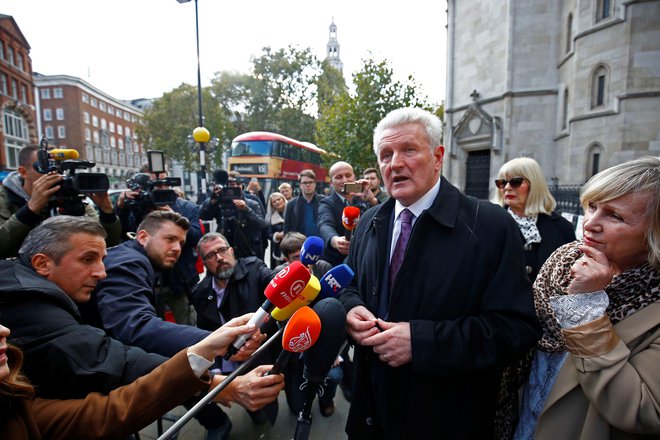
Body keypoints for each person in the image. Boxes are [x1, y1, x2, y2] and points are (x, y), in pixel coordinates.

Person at [338, 107, 541, 439]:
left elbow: (515, 330)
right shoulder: (370, 222)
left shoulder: (490, 226)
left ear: (438, 156)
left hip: (447, 421)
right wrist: (350, 309)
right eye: (386, 155)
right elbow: (351, 285)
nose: (395, 163)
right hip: (370, 415)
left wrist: (422, 343)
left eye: (409, 150)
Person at [0, 215, 283, 440]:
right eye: (88, 260)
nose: (101, 272)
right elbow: (125, 338)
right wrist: (219, 376)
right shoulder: (128, 262)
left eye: (181, 243)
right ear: (42, 263)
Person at [497, 156, 660, 440]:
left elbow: (643, 410)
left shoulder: (652, 301)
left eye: (615, 216)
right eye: (592, 206)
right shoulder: (564, 260)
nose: (590, 223)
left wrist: (585, 308)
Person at [84, 211, 269, 439]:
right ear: (142, 236)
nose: (177, 248)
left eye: (181, 242)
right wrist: (216, 340)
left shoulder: (253, 268)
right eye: (169, 239)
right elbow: (135, 327)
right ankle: (217, 422)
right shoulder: (130, 261)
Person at [0, 313, 285, 439]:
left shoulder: (23, 413)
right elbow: (129, 342)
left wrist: (204, 350)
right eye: (89, 259)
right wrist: (221, 385)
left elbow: (116, 410)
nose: (4, 331)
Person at [191, 232, 281, 428]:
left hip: (259, 355)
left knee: (266, 394)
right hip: (228, 362)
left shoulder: (254, 268)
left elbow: (272, 279)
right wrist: (214, 370)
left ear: (231, 251)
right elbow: (204, 330)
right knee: (251, 403)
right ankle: (256, 414)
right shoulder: (200, 293)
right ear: (204, 262)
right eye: (211, 255)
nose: (219, 258)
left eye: (222, 250)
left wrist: (286, 277)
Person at [115, 165, 203, 325]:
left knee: (188, 325)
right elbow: (121, 235)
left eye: (163, 182)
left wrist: (174, 218)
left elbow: (196, 237)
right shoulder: (137, 205)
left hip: (180, 280)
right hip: (145, 280)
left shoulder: (185, 207)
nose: (159, 187)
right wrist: (121, 209)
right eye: (153, 183)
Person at [0, 145, 120, 259]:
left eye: (59, 169)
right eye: (45, 168)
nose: (54, 173)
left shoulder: (69, 197)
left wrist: (107, 212)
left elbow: (108, 244)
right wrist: (31, 209)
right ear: (23, 172)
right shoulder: (5, 197)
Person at [275, 231, 341, 417]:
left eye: (306, 253)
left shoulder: (324, 269)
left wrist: (333, 349)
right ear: (286, 259)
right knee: (297, 406)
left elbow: (337, 309)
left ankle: (326, 399)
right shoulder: (281, 277)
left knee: (335, 376)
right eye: (297, 257)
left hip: (323, 339)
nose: (306, 260)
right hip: (294, 346)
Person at [493, 157, 576, 282]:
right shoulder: (489, 222)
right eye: (502, 183)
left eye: (515, 182)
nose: (507, 188)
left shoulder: (562, 227)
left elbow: (567, 279)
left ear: (534, 184)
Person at [318, 161, 377, 267]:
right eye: (339, 177)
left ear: (354, 177)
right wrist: (335, 240)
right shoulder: (326, 203)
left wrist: (372, 200)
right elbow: (324, 224)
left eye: (348, 175)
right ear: (331, 182)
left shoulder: (364, 198)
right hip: (337, 264)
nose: (345, 180)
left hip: (364, 261)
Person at [200, 173, 267, 259]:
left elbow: (262, 224)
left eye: (238, 184)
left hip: (248, 248)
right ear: (226, 185)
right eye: (231, 184)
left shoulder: (252, 201)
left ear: (242, 186)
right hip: (226, 247)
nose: (235, 187)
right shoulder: (219, 200)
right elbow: (203, 216)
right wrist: (212, 202)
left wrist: (246, 209)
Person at [283, 169, 324, 238]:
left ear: (315, 184)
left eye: (310, 182)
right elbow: (287, 229)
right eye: (304, 183)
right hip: (299, 245)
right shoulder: (291, 204)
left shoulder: (324, 201)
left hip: (321, 244)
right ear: (300, 185)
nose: (308, 185)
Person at [265, 191, 287, 269]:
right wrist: (277, 235)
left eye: (279, 199)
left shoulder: (293, 212)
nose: (277, 202)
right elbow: (269, 234)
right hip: (279, 251)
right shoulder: (271, 219)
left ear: (283, 200)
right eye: (274, 202)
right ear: (272, 206)